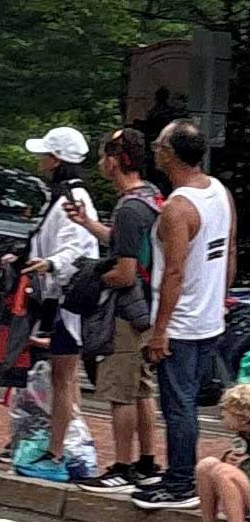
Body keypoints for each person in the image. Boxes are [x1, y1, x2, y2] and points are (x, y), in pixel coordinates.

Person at [132, 120, 237, 510]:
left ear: (171, 154)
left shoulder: (177, 208)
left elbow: (173, 272)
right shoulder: (219, 192)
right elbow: (227, 252)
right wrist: (219, 300)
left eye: (160, 145)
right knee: (187, 401)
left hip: (182, 323)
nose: (155, 150)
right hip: (209, 317)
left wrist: (160, 331)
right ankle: (180, 473)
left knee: (179, 405)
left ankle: (180, 482)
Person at [67, 128, 164, 494]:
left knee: (120, 391)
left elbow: (124, 273)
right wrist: (87, 224)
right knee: (142, 389)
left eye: (104, 156)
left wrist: (92, 278)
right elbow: (127, 246)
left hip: (124, 312)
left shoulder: (127, 208)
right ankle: (148, 462)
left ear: (114, 161)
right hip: (147, 309)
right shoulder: (151, 197)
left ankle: (122, 466)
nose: (99, 163)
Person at [16, 126, 100, 482]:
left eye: (44, 155)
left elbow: (75, 247)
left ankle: (57, 453)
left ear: (56, 160)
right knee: (64, 377)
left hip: (68, 301)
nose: (40, 161)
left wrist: (50, 264)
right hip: (67, 301)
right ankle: (70, 444)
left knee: (63, 377)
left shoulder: (71, 198)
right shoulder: (68, 195)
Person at [172, 384, 250, 522]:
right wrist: (229, 458)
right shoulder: (243, 434)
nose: (221, 415)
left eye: (226, 412)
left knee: (224, 472)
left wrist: (243, 463)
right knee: (207, 465)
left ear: (244, 418)